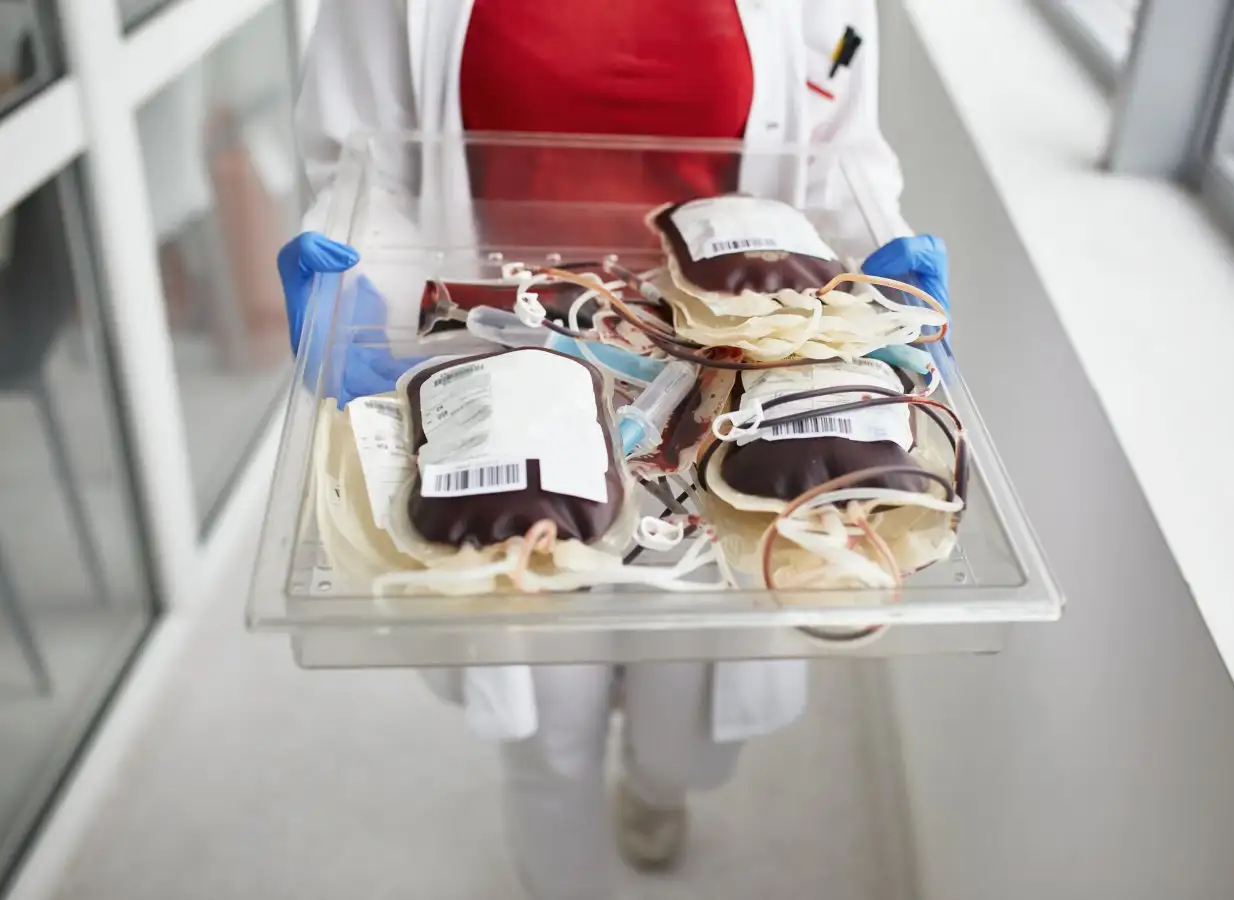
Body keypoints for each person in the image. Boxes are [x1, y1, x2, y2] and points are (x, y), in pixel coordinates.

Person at [277, 3, 948, 898]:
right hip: (506, 367)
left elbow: (835, 161)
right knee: (547, 729)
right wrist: (358, 288)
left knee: (689, 721)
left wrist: (879, 276)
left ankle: (659, 785)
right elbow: (364, 165)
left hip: (730, 375)